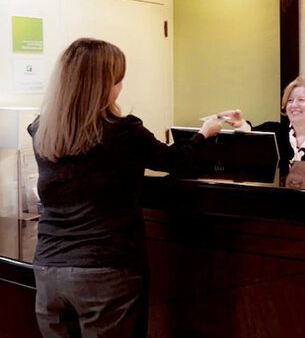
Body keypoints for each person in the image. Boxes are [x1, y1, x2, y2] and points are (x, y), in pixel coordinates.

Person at [27, 38, 223, 338]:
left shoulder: (42, 129)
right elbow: (174, 161)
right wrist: (204, 134)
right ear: (105, 85)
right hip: (105, 269)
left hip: (48, 270)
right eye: (118, 80)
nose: (120, 86)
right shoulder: (123, 132)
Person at [220, 74, 305, 190]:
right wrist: (240, 124)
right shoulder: (275, 131)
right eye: (290, 100)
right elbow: (251, 134)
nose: (294, 105)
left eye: (301, 100)